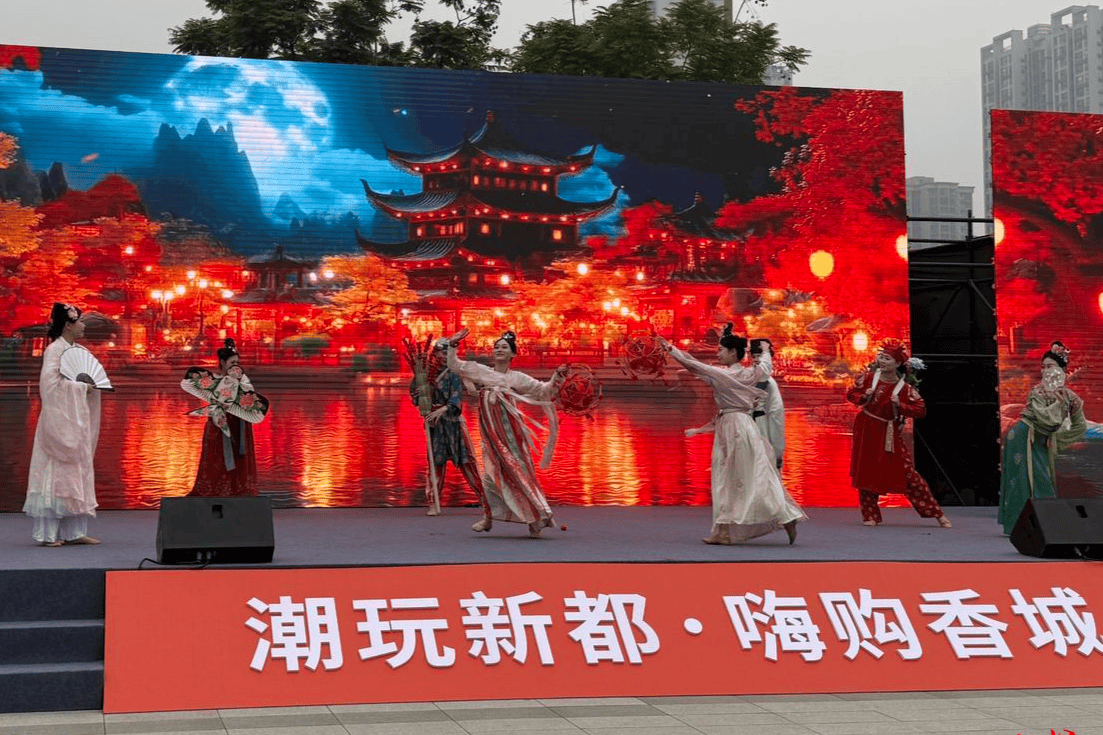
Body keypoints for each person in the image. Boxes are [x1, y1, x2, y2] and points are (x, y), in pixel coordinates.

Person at [658, 326, 805, 545]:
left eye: (721, 350)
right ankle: (739, 527)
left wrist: (671, 349)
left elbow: (692, 365)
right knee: (746, 476)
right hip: (740, 425)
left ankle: (733, 529)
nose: (717, 353)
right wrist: (766, 351)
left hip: (734, 427)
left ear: (733, 352)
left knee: (729, 478)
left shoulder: (725, 374)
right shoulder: (747, 373)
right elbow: (764, 367)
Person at [440, 328, 567, 537]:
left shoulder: (517, 378)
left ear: (513, 354)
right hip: (490, 435)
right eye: (496, 347)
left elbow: (543, 391)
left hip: (511, 436)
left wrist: (557, 376)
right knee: (489, 476)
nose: (499, 350)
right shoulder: (482, 372)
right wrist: (453, 345)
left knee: (521, 474)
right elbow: (455, 365)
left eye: (504, 347)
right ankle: (488, 518)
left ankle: (536, 520)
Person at [847, 339, 951, 528]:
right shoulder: (869, 378)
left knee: (908, 473)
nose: (882, 361)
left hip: (888, 431)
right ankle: (870, 515)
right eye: (880, 357)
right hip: (866, 428)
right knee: (867, 471)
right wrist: (863, 397)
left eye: (887, 358)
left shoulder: (904, 388)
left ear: (897, 363)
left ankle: (936, 513)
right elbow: (851, 394)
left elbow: (920, 410)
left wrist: (900, 405)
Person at [24, 303, 101, 546]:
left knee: (77, 471)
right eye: (80, 321)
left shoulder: (79, 350)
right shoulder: (54, 351)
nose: (83, 326)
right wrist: (81, 388)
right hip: (59, 421)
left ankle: (74, 532)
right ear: (68, 325)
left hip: (77, 419)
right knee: (54, 473)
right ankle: (47, 534)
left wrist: (89, 388)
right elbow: (50, 386)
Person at [998, 341, 1086, 535]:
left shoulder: (1071, 397)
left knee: (1043, 478)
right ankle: (1018, 526)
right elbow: (1045, 418)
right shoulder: (1038, 392)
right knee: (1024, 479)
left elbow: (1080, 426)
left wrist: (1058, 439)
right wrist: (1058, 403)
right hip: (1023, 435)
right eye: (1043, 367)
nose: (1046, 371)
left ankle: (1045, 523)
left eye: (1050, 366)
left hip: (1041, 439)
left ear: (1062, 370)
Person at [181, 339, 269, 496]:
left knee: (238, 455)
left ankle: (238, 489)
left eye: (237, 363)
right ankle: (215, 489)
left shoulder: (241, 380)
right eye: (232, 362)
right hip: (221, 420)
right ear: (222, 362)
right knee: (217, 454)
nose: (236, 366)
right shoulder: (213, 380)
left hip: (239, 422)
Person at [410, 340, 487, 517]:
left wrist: (443, 409)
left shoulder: (454, 374)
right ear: (435, 354)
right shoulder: (423, 374)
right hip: (435, 424)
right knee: (435, 464)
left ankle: (485, 499)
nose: (445, 357)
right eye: (443, 353)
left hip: (454, 422)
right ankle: (433, 502)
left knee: (468, 461)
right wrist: (422, 399)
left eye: (449, 354)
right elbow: (416, 397)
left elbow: (456, 398)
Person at [750, 338, 785, 469]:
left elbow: (776, 414)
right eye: (754, 356)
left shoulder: (766, 381)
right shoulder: (751, 376)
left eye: (759, 356)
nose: (756, 360)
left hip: (761, 426)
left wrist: (777, 452)